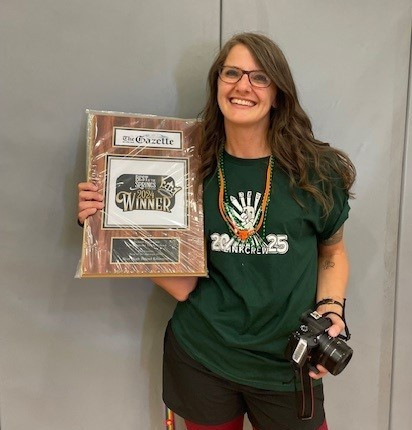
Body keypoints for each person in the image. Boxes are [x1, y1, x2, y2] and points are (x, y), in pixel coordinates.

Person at [77, 32, 355, 430]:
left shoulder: (316, 171)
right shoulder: (182, 168)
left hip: (287, 366)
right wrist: (109, 221)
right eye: (232, 73)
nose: (243, 86)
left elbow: (332, 252)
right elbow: (183, 285)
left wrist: (331, 310)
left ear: (278, 94)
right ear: (217, 84)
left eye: (260, 77)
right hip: (202, 359)